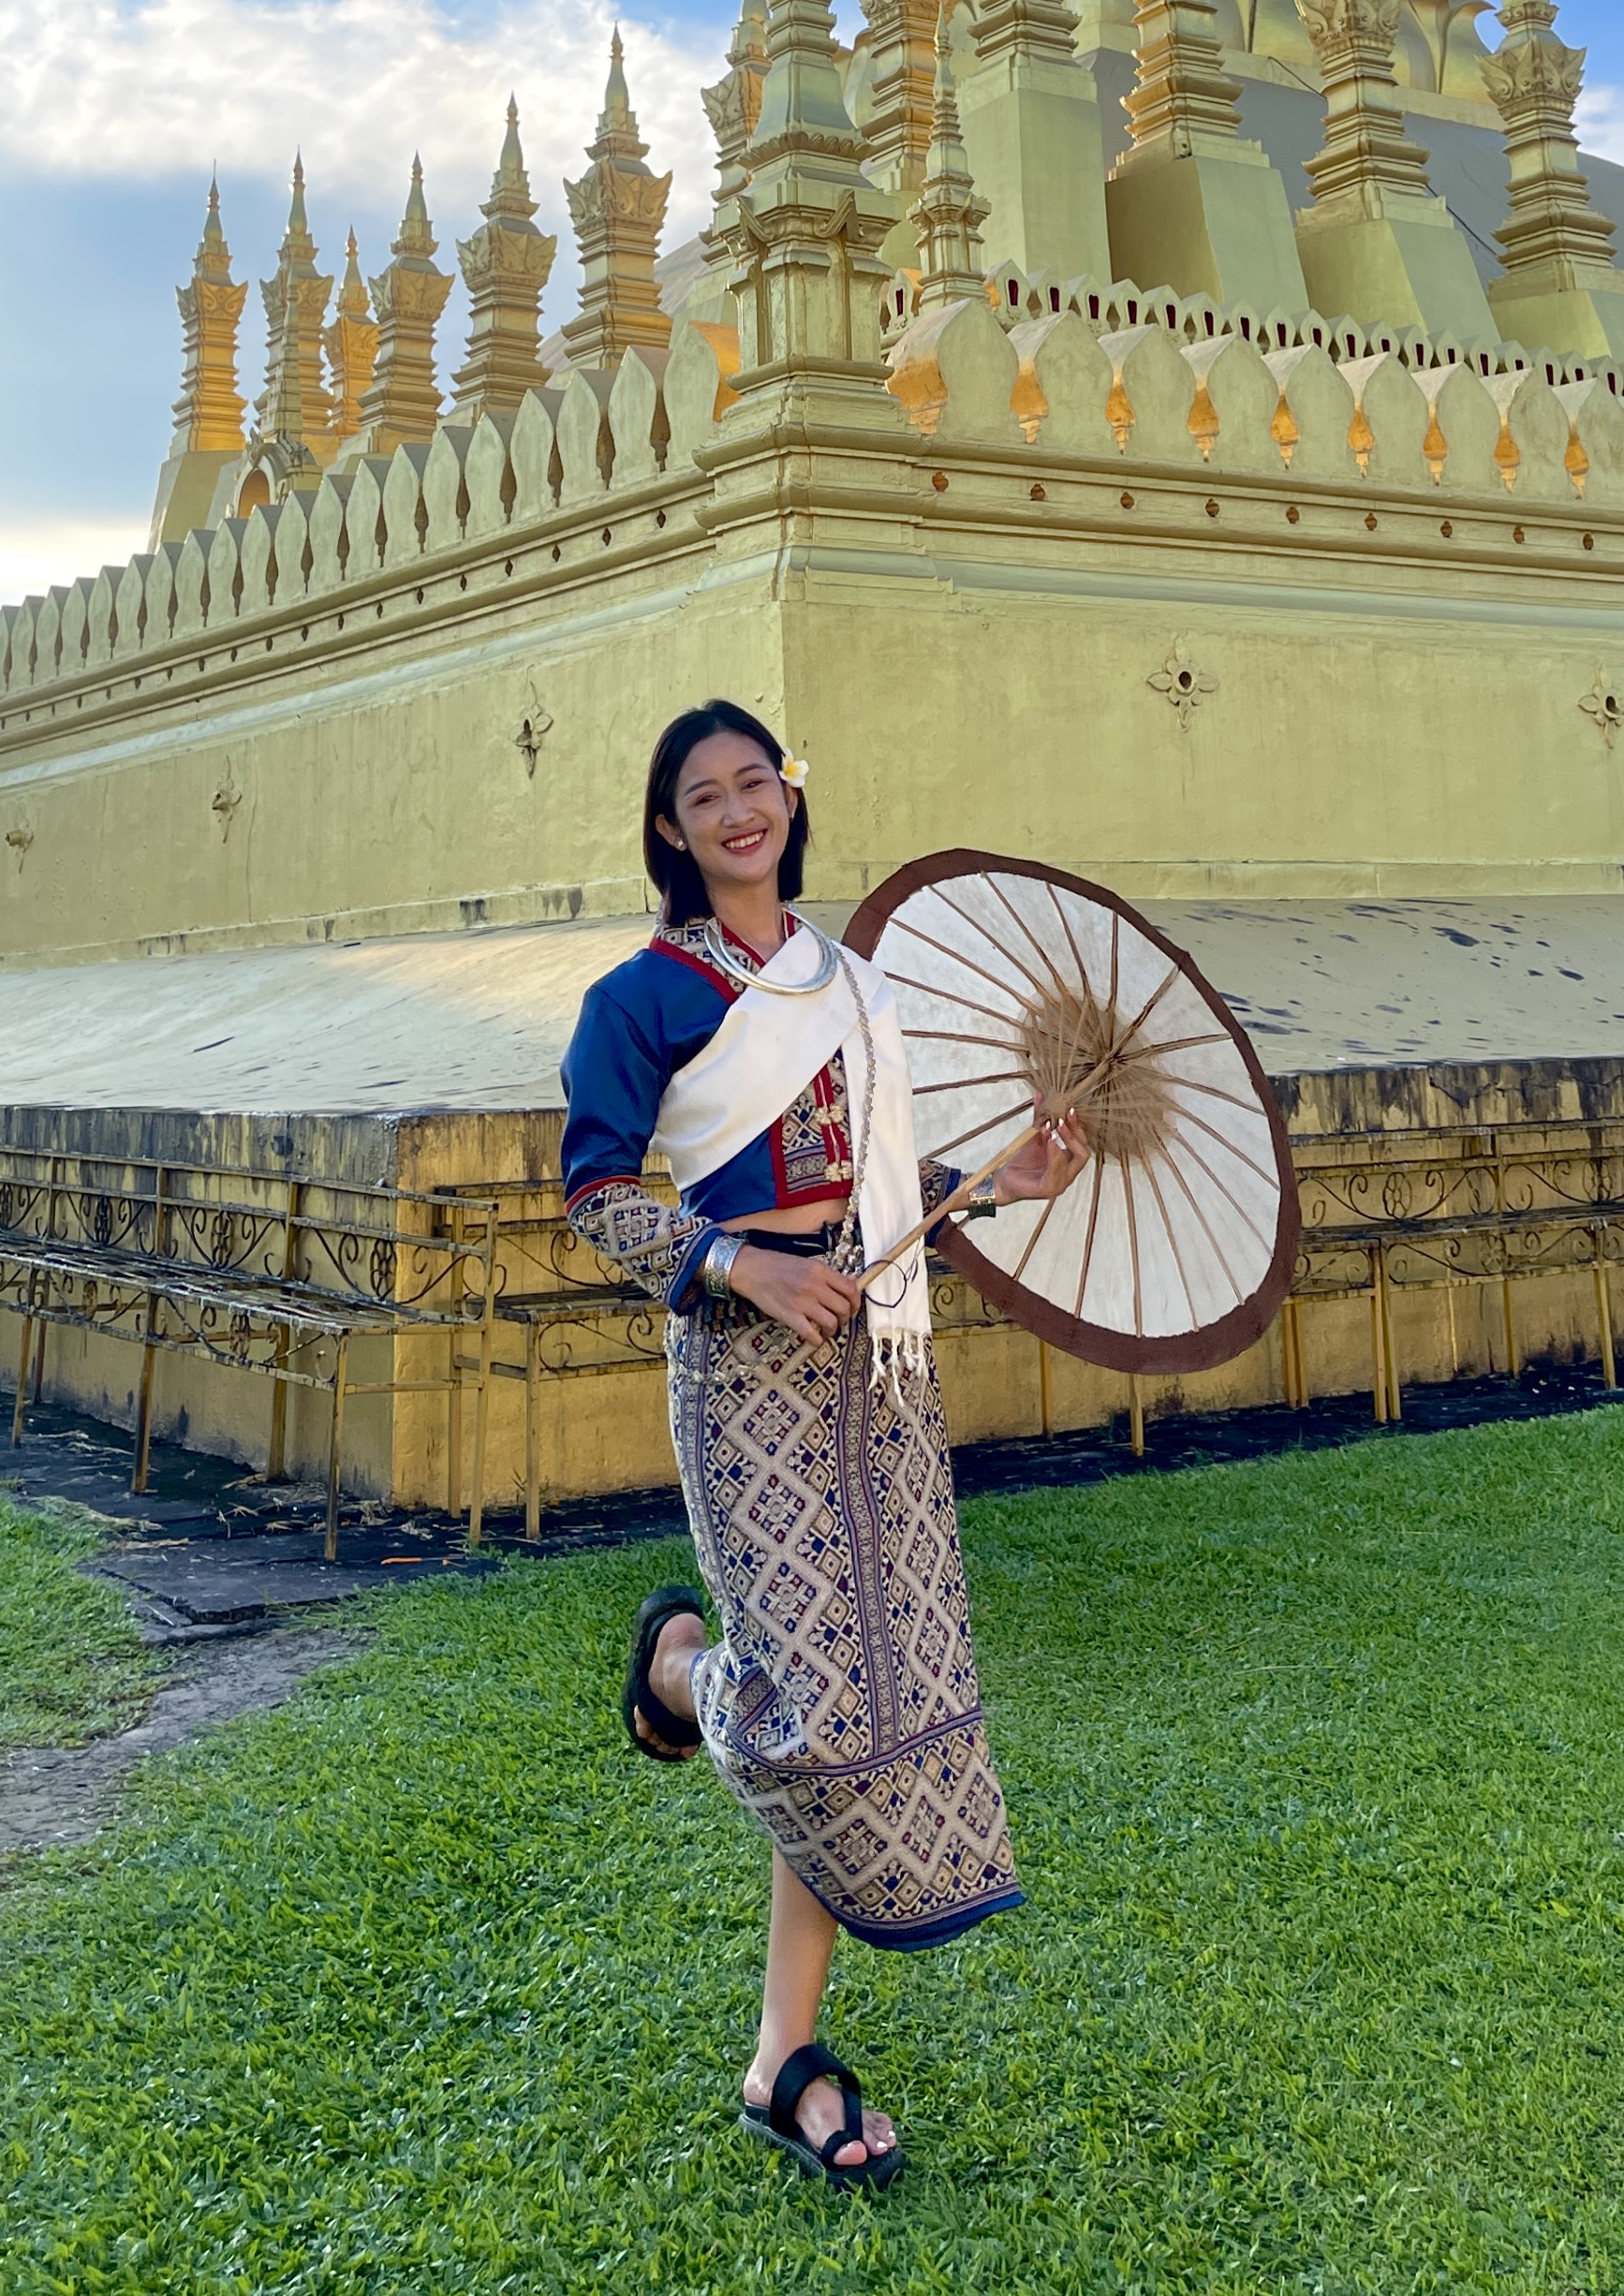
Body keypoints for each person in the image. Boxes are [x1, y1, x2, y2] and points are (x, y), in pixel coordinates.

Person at [559, 700, 1090, 2189]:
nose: (739, 811)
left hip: (881, 1362)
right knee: (810, 1707)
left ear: (791, 798)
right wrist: (745, 1264)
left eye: (758, 783)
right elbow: (598, 1192)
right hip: (747, 1367)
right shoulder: (643, 997)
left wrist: (1004, 1177)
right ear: (671, 828)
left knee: (866, 1703)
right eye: (705, 795)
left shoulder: (850, 982)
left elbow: (874, 1185)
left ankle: (784, 2049)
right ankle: (675, 1667)